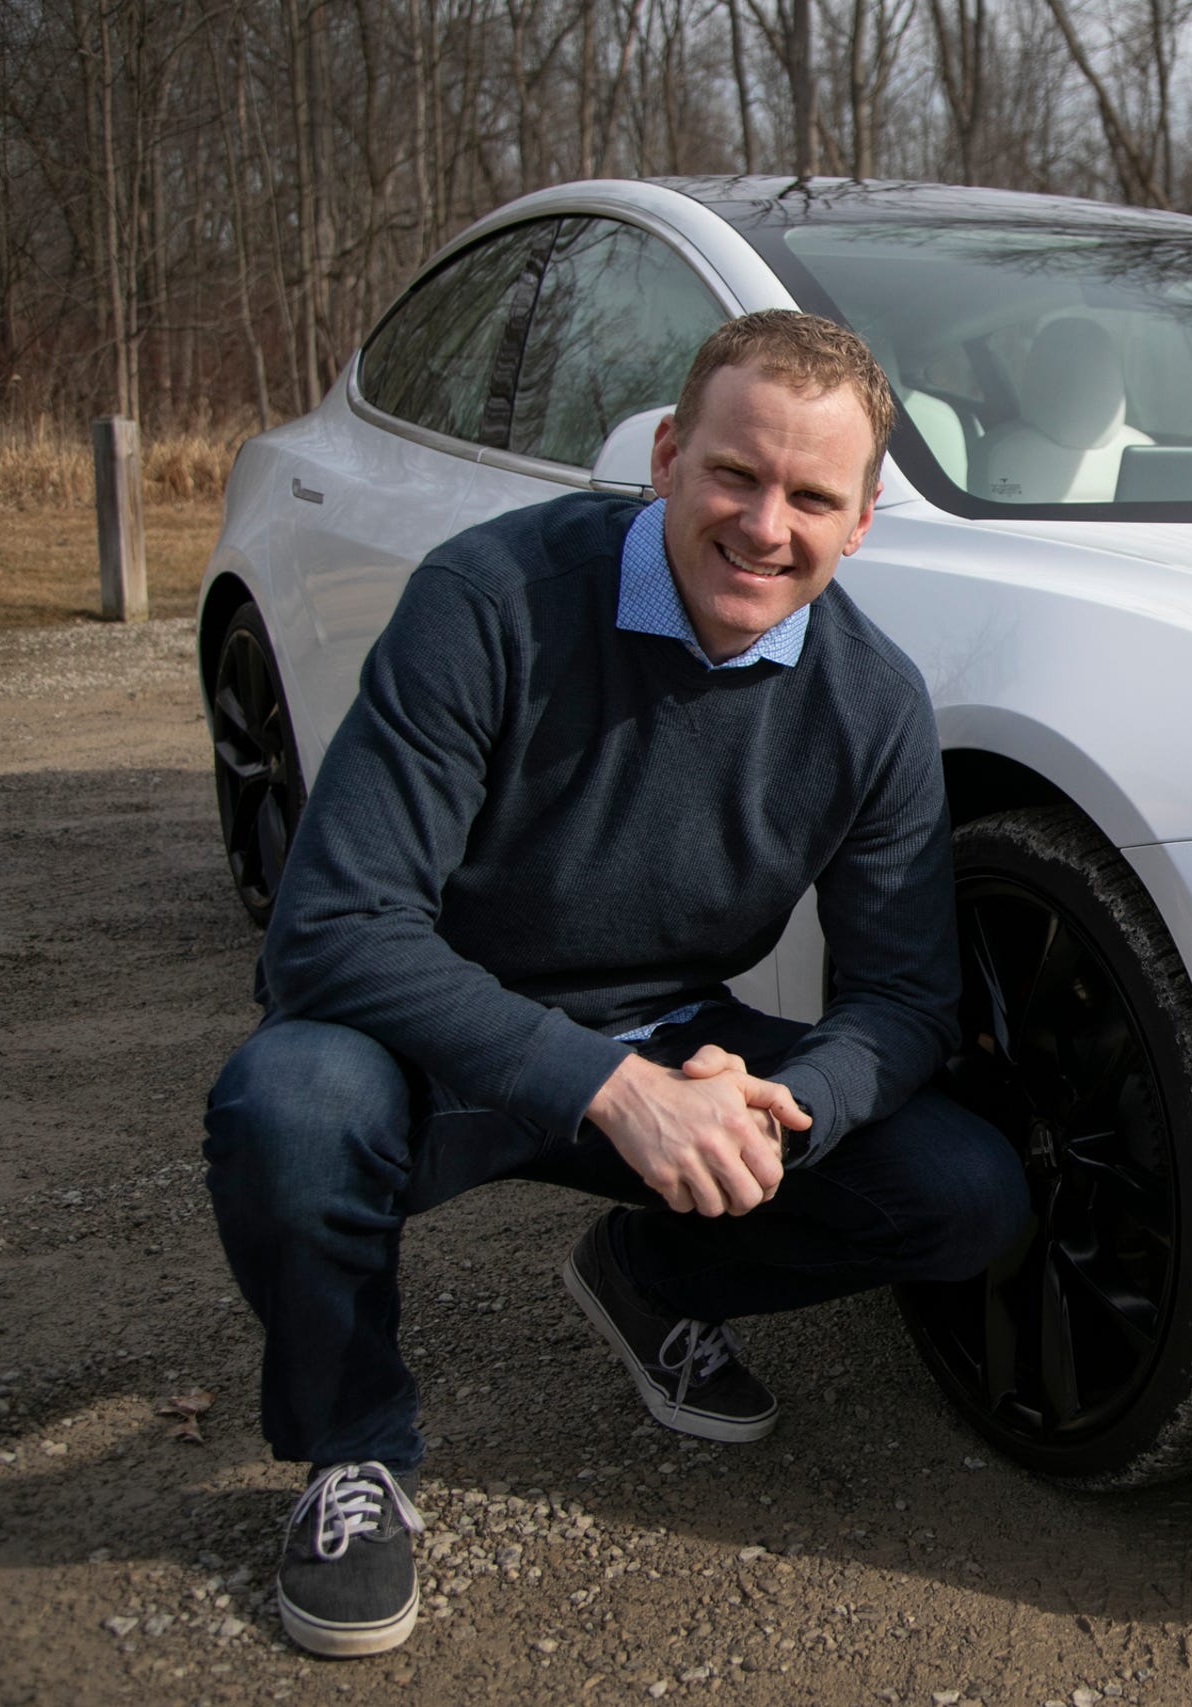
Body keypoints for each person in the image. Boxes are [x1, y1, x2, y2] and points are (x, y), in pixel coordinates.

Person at [202, 311, 1027, 1660]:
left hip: (673, 1034)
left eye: (811, 496)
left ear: (864, 522)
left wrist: (780, 1096)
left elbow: (904, 1004)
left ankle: (652, 1278)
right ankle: (352, 1450)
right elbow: (332, 931)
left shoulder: (871, 705)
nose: (765, 526)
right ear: (663, 458)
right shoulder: (491, 602)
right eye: (734, 475)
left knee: (966, 1190)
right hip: (428, 1036)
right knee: (286, 1110)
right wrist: (608, 1089)